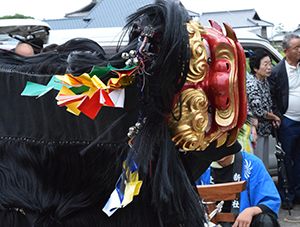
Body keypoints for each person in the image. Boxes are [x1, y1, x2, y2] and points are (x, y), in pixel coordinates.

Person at [196, 151, 281, 227]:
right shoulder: (200, 166)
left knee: (265, 220)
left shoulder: (252, 163)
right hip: (209, 221)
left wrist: (250, 211)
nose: (219, 150)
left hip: (244, 222)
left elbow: (271, 201)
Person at [269, 33, 300, 210]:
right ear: (286, 51)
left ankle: (298, 193)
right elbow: (272, 97)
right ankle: (286, 196)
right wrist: (278, 116)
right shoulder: (277, 71)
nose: (299, 50)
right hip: (287, 122)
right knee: (285, 160)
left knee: (298, 159)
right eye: (296, 48)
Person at [246, 49, 281, 169]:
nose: (269, 67)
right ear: (255, 68)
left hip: (264, 129)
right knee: (258, 163)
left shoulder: (264, 81)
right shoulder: (252, 84)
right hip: (255, 131)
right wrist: (275, 117)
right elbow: (259, 111)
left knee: (264, 163)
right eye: (265, 64)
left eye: (270, 63)